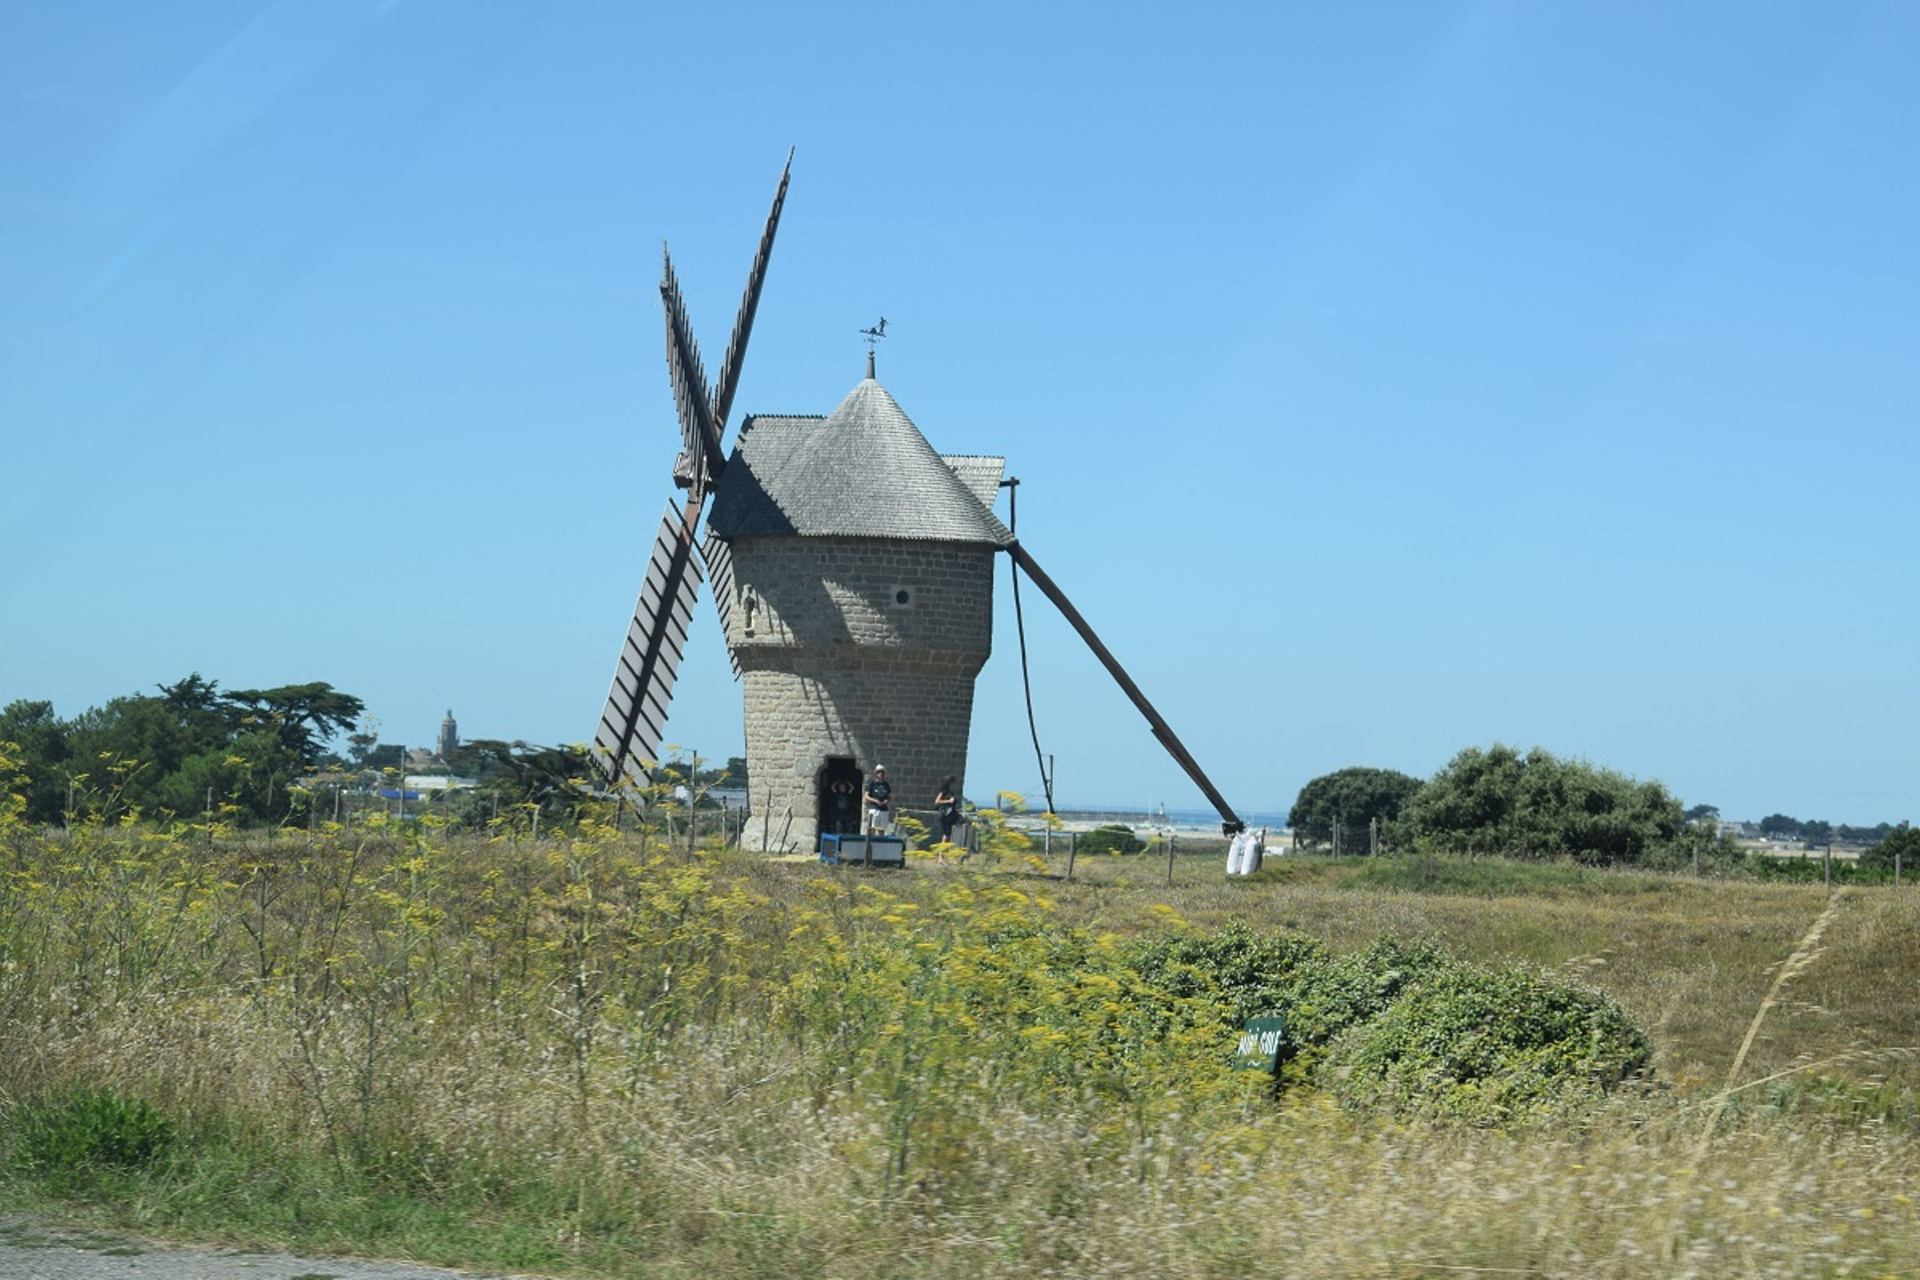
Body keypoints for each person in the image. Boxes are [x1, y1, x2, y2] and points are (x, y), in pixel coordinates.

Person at [863, 765, 893, 836]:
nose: (881, 774)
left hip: (884, 810)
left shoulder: (886, 784)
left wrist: (886, 800)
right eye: (879, 772)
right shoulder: (872, 784)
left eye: (882, 772)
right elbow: (866, 797)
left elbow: (889, 796)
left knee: (882, 830)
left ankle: (881, 844)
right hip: (874, 809)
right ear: (876, 774)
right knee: (872, 829)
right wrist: (876, 801)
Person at [933, 775, 960, 845]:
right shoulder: (944, 792)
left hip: (951, 815)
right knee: (946, 834)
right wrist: (948, 801)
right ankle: (941, 853)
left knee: (948, 834)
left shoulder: (951, 792)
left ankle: (943, 852)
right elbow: (937, 801)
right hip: (945, 815)